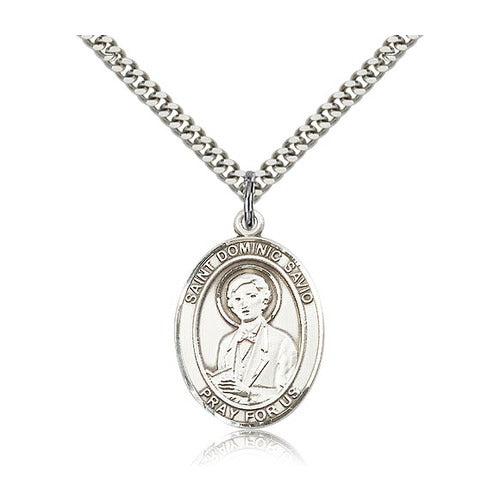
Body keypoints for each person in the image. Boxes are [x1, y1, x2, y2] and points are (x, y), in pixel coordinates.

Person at [210, 273, 298, 404]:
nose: (244, 304)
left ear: (264, 301)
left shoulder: (282, 343)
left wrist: (249, 393)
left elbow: (289, 394)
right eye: (238, 299)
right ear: (231, 305)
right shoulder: (226, 343)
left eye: (251, 296)